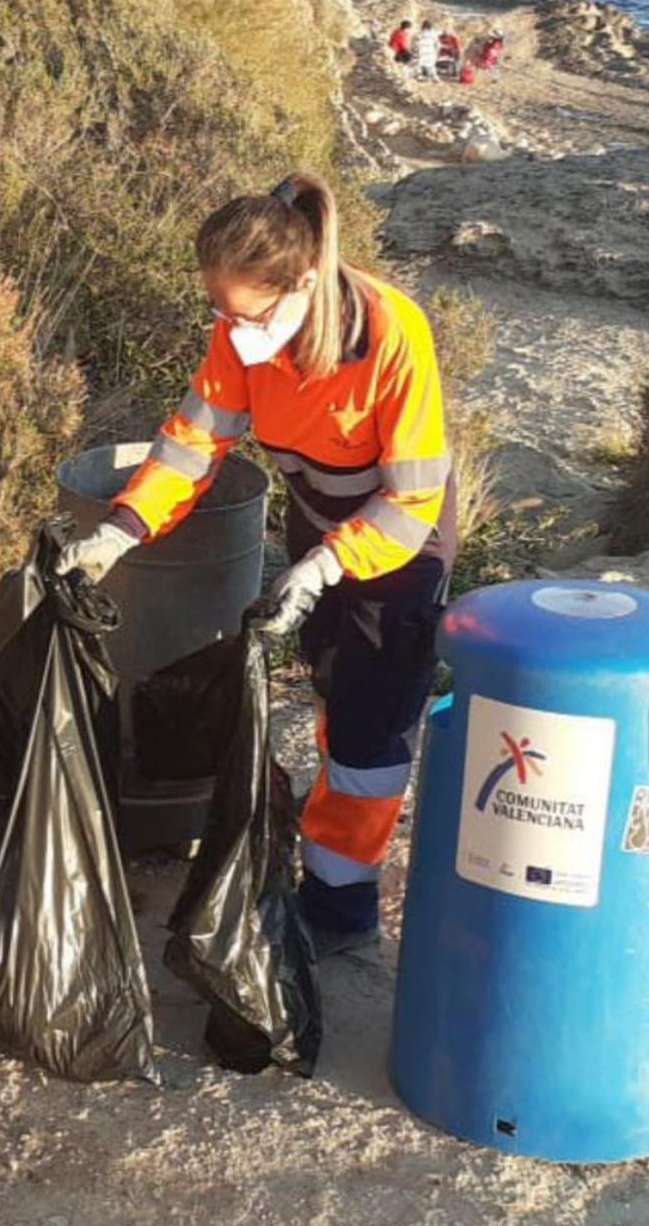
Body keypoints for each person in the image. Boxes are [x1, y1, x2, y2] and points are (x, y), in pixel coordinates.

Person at [59, 174, 456, 957]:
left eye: (249, 315)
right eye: (221, 313)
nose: (234, 333)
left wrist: (324, 569)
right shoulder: (242, 333)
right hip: (319, 526)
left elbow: (409, 502)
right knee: (333, 691)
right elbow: (194, 443)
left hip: (398, 545)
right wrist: (122, 528)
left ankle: (343, 912)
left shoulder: (390, 335)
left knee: (371, 732)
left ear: (304, 283)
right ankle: (326, 843)